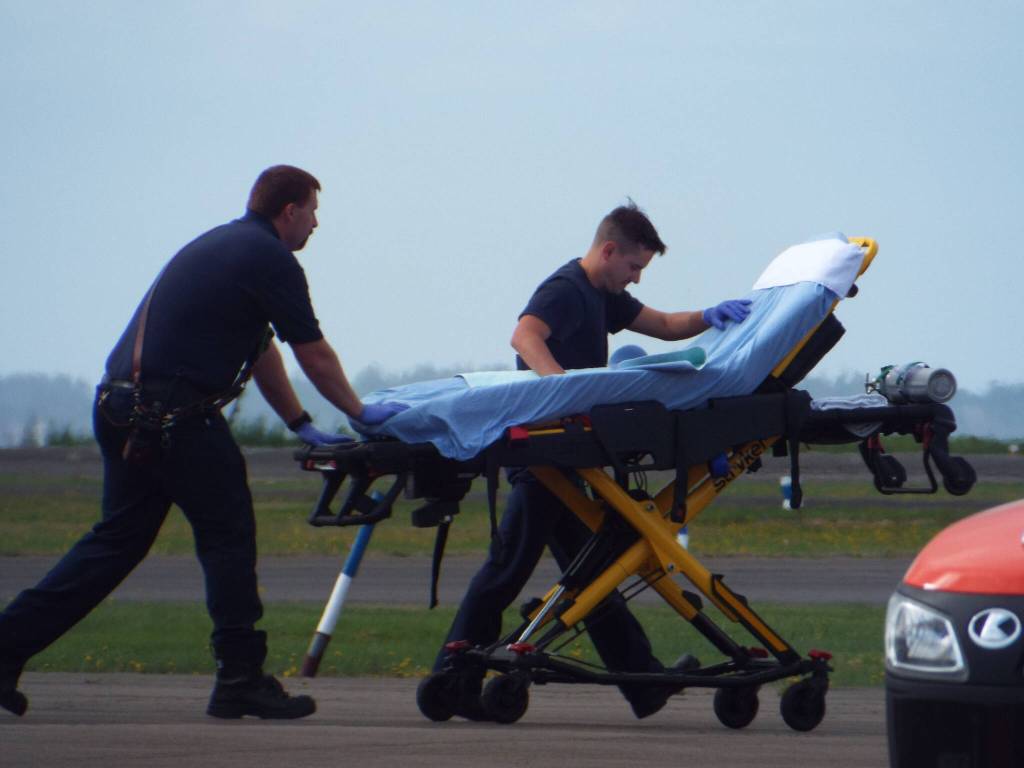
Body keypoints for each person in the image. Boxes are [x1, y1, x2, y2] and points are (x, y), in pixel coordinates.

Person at [0, 165, 406, 719]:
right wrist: (361, 414)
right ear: (289, 211)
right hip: (174, 418)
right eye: (313, 212)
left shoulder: (224, 245)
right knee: (228, 537)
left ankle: (5, 647)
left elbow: (262, 349)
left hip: (123, 408)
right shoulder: (271, 259)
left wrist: (299, 423)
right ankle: (240, 678)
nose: (316, 225)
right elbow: (311, 350)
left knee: (113, 544)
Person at [435, 201, 751, 719]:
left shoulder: (606, 296)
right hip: (546, 459)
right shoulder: (566, 289)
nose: (636, 279)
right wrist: (561, 387)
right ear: (608, 251)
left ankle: (644, 683)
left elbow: (667, 324)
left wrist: (711, 315)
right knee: (509, 569)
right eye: (634, 267)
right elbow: (524, 335)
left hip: (567, 458)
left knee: (596, 571)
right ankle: (451, 676)